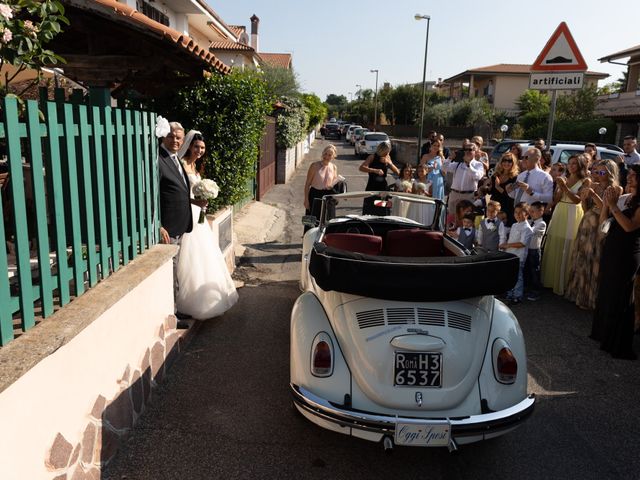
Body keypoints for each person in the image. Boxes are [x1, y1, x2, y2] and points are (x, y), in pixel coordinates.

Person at [175, 131, 238, 320]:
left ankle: (206, 298)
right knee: (190, 258)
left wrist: (204, 200)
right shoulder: (182, 165)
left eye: (202, 148)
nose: (199, 150)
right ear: (189, 146)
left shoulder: (195, 166)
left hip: (199, 215)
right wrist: (196, 203)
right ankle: (187, 301)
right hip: (188, 215)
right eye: (196, 147)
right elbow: (180, 194)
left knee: (204, 256)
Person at [157, 121, 205, 325]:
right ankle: (172, 315)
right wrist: (158, 224)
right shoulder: (159, 160)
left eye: (179, 137)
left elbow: (181, 192)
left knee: (177, 270)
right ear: (163, 137)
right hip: (168, 226)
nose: (175, 140)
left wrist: (196, 201)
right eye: (171, 136)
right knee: (171, 271)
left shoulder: (175, 159)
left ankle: (176, 309)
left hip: (182, 223)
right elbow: (152, 195)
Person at [590, 165, 640, 360]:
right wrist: (605, 205)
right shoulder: (622, 198)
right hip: (612, 248)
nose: (630, 178)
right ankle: (604, 334)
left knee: (621, 296)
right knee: (607, 292)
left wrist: (613, 206)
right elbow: (604, 224)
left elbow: (629, 227)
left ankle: (618, 342)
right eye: (630, 175)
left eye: (635, 176)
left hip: (628, 254)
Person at [565, 159, 618, 310]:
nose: (597, 175)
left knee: (594, 259)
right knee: (581, 257)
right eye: (596, 172)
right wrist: (584, 198)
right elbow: (585, 206)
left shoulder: (615, 188)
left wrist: (594, 195)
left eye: (601, 172)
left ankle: (590, 298)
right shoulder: (592, 185)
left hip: (600, 226)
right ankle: (577, 293)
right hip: (586, 222)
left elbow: (606, 210)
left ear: (610, 174)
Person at [541, 154, 590, 295]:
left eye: (574, 163)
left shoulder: (585, 181)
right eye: (570, 163)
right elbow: (556, 199)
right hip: (560, 211)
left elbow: (577, 200)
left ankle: (564, 283)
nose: (571, 166)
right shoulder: (565, 178)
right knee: (556, 242)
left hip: (573, 212)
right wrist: (559, 187)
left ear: (580, 165)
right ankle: (551, 281)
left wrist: (565, 188)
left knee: (568, 245)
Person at [499, 202, 533, 305]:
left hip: (518, 257)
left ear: (526, 214)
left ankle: (517, 296)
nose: (517, 215)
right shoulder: (514, 225)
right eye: (516, 212)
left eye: (520, 213)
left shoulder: (527, 229)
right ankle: (509, 294)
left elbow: (522, 243)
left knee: (518, 277)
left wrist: (507, 245)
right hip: (510, 255)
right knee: (510, 276)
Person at [443, 140, 485, 216]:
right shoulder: (458, 163)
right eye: (466, 149)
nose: (467, 151)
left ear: (475, 152)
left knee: (467, 218)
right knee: (451, 217)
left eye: (470, 150)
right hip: (454, 194)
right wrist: (449, 158)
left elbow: (477, 176)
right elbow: (444, 168)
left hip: (469, 195)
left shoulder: (478, 165)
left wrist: (469, 165)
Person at [304, 144, 339, 225]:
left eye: (329, 155)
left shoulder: (334, 167)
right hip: (315, 195)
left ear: (333, 156)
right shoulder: (314, 165)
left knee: (328, 221)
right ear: (322, 153)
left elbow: (334, 183)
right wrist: (306, 199)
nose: (326, 156)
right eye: (325, 153)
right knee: (311, 222)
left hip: (328, 197)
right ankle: (308, 237)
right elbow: (307, 184)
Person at [360, 142, 399, 214]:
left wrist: (389, 163)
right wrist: (374, 170)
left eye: (388, 152)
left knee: (382, 210)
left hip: (383, 188)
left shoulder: (388, 158)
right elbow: (361, 168)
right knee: (370, 209)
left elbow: (397, 172)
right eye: (385, 152)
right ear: (380, 150)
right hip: (371, 186)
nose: (386, 154)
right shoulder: (372, 157)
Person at [524, 202, 547, 301]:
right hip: (526, 249)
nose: (531, 213)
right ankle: (528, 288)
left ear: (541, 212)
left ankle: (536, 291)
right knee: (527, 270)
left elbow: (529, 231)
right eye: (530, 211)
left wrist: (523, 223)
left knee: (535, 271)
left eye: (533, 211)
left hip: (534, 250)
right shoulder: (529, 221)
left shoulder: (541, 224)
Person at [490, 152, 519, 225]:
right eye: (504, 160)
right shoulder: (496, 174)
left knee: (504, 231)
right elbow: (491, 191)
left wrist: (498, 187)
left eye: (509, 161)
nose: (506, 163)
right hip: (494, 206)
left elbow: (510, 195)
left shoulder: (515, 177)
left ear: (513, 163)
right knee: (491, 228)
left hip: (507, 208)